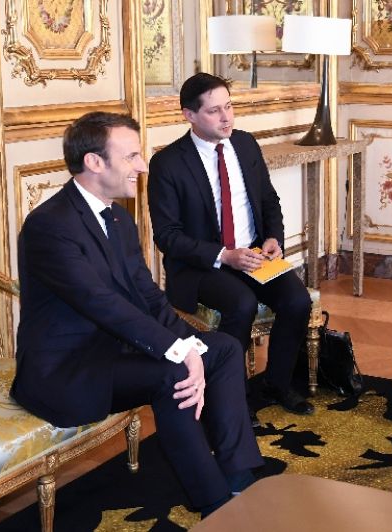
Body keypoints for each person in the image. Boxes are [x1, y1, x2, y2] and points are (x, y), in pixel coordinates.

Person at [10, 112, 263, 517]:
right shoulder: (49, 226)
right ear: (94, 162)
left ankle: (238, 475)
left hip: (115, 352)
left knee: (224, 348)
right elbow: (101, 304)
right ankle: (215, 505)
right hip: (67, 371)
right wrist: (180, 352)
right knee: (175, 373)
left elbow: (147, 295)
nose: (142, 167)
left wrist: (190, 343)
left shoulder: (118, 217)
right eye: (131, 157)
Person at [148, 73, 314, 422]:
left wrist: (273, 238)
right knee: (241, 303)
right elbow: (167, 236)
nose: (226, 118)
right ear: (189, 115)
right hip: (202, 266)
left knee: (297, 300)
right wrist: (224, 255)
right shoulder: (168, 164)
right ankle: (232, 398)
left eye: (229, 106)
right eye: (214, 111)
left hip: (253, 254)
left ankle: (276, 384)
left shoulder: (245, 144)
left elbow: (268, 200)